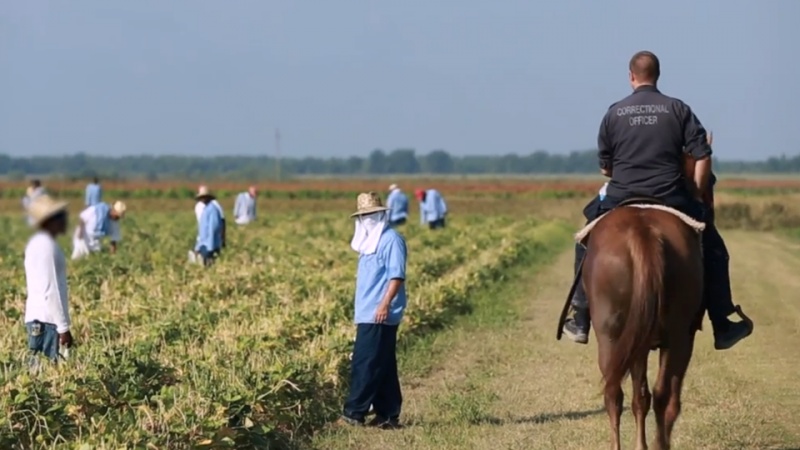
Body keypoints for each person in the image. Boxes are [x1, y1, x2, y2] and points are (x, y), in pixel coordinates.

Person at [561, 51, 752, 351]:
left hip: (621, 195)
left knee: (585, 240)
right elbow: (703, 156)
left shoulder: (614, 112)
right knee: (713, 246)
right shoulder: (678, 108)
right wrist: (696, 192)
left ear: (631, 76)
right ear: (658, 75)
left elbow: (606, 168)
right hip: (670, 196)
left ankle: (581, 317)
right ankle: (722, 322)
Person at [340, 192, 407, 429]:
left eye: (372, 214)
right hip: (367, 311)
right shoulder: (368, 243)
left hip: (379, 313)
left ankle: (353, 413)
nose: (367, 219)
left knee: (365, 362)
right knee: (383, 363)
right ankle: (388, 414)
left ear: (380, 214)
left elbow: (396, 275)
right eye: (363, 215)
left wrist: (384, 303)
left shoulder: (391, 240)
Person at [24, 195, 73, 370]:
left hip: (42, 319)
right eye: (61, 216)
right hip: (46, 321)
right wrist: (63, 328)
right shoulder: (45, 246)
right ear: (50, 221)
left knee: (38, 372)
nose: (66, 220)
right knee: (46, 372)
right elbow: (49, 290)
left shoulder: (40, 243)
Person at [192, 187, 224, 266]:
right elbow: (202, 231)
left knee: (208, 265)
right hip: (204, 244)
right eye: (201, 197)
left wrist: (210, 248)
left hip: (209, 245)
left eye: (204, 197)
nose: (202, 199)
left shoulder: (212, 209)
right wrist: (198, 247)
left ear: (208, 197)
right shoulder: (206, 209)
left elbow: (213, 229)